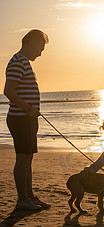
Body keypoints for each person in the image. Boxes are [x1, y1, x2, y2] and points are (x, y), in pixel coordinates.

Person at [4, 29, 51, 210]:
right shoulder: (17, 62)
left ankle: (29, 197)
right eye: (40, 48)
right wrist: (28, 108)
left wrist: (31, 111)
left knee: (28, 157)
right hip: (21, 118)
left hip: (27, 118)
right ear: (31, 43)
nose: (40, 53)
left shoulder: (23, 62)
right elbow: (8, 91)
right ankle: (22, 199)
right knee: (23, 157)